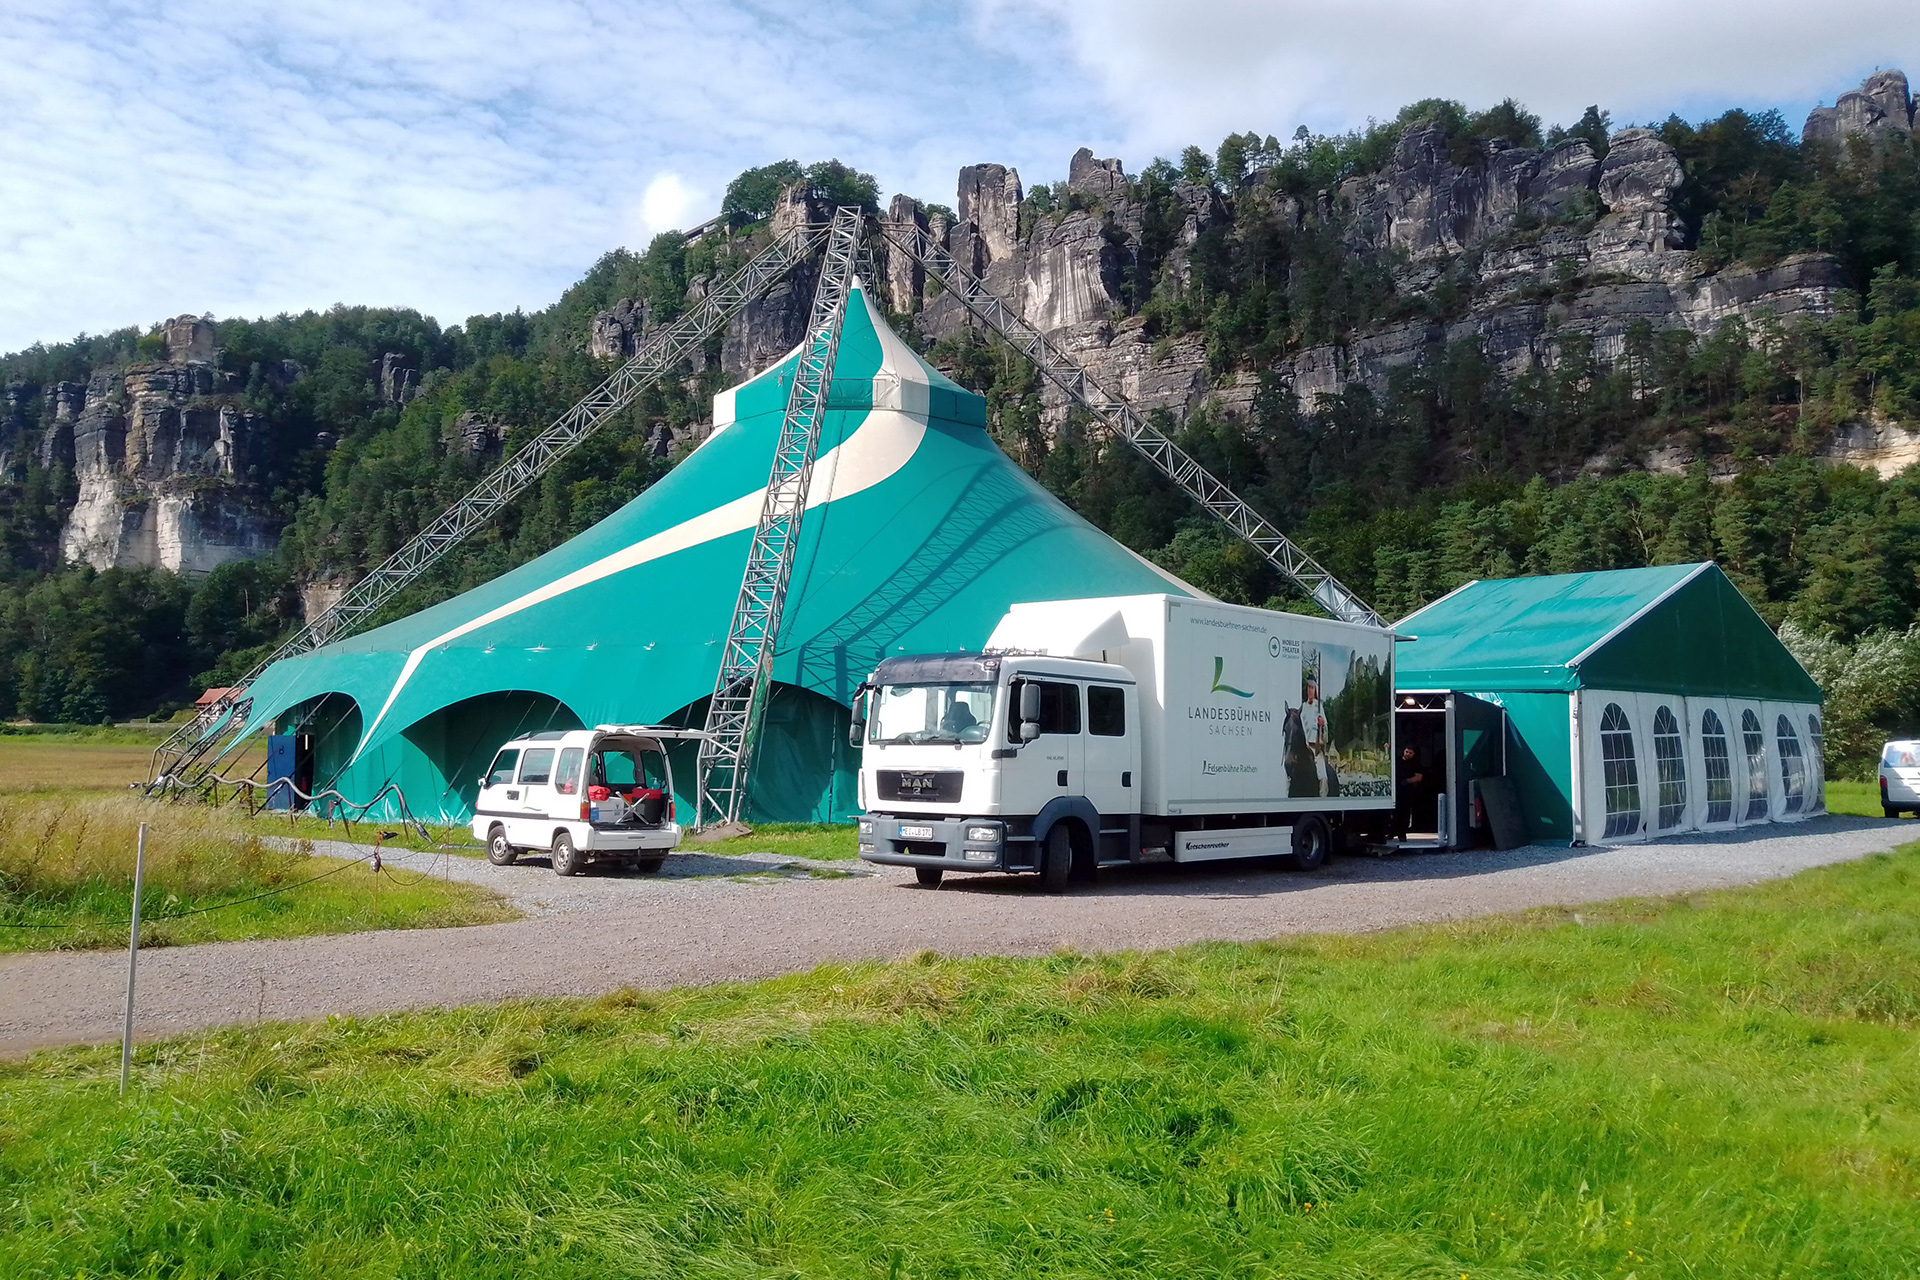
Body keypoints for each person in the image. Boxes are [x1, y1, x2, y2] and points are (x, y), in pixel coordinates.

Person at [1392, 745, 1427, 838]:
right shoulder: (1396, 761)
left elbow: (1419, 777)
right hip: (1396, 790)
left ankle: (1402, 834)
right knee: (1394, 812)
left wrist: (1407, 781)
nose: (1408, 754)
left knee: (1405, 813)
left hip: (1407, 791)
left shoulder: (1415, 763)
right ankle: (1391, 833)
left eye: (1410, 753)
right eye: (1407, 751)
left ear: (1414, 754)